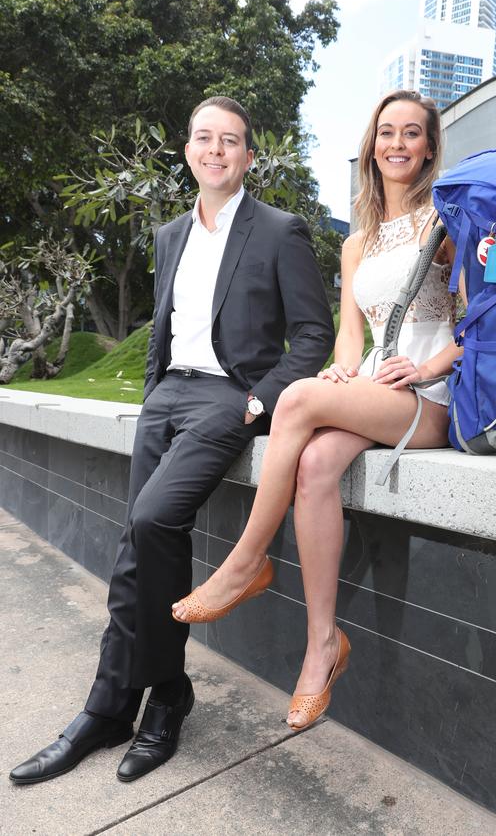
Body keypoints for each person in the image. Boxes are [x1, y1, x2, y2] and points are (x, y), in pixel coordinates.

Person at [9, 96, 334, 785]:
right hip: (167, 398)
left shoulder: (280, 230)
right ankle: (116, 703)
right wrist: (154, 390)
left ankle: (162, 696)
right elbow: (167, 324)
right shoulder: (168, 235)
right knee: (138, 542)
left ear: (249, 156)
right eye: (203, 138)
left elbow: (313, 335)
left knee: (154, 519)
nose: (215, 150)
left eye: (231, 141)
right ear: (188, 149)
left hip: (228, 398)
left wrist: (258, 401)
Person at [171, 89, 465, 731]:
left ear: (429, 147)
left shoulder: (449, 223)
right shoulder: (356, 244)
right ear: (370, 145)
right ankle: (323, 646)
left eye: (411, 133)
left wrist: (425, 367)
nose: (396, 143)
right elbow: (352, 338)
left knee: (299, 398)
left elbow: (478, 328)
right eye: (385, 131)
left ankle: (246, 561)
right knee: (313, 465)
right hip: (377, 395)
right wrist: (341, 370)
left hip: (431, 401)